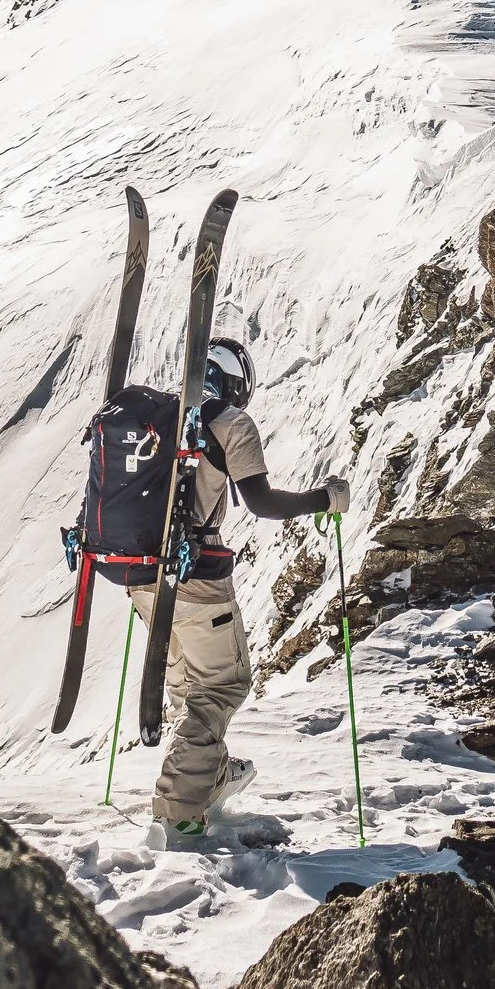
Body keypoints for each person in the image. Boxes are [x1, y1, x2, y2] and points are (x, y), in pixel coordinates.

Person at [135, 335, 345, 844]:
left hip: (141, 577)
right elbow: (261, 502)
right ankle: (180, 811)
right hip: (196, 579)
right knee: (221, 687)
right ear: (234, 381)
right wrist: (325, 499)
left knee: (189, 687)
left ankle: (211, 775)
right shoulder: (230, 422)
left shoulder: (156, 420)